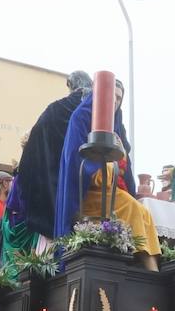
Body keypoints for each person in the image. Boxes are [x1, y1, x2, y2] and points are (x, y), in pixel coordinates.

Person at [55, 79, 161, 270]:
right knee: (134, 209)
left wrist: (119, 161)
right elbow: (76, 162)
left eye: (119, 98)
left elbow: (124, 167)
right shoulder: (81, 118)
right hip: (88, 193)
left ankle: (148, 267)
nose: (115, 102)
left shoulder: (116, 125)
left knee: (145, 212)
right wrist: (109, 166)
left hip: (111, 192)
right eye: (111, 96)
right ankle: (149, 269)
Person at [13, 70, 91, 245]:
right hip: (90, 186)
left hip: (56, 191)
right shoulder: (98, 109)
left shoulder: (54, 109)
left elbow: (32, 150)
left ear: (71, 86)